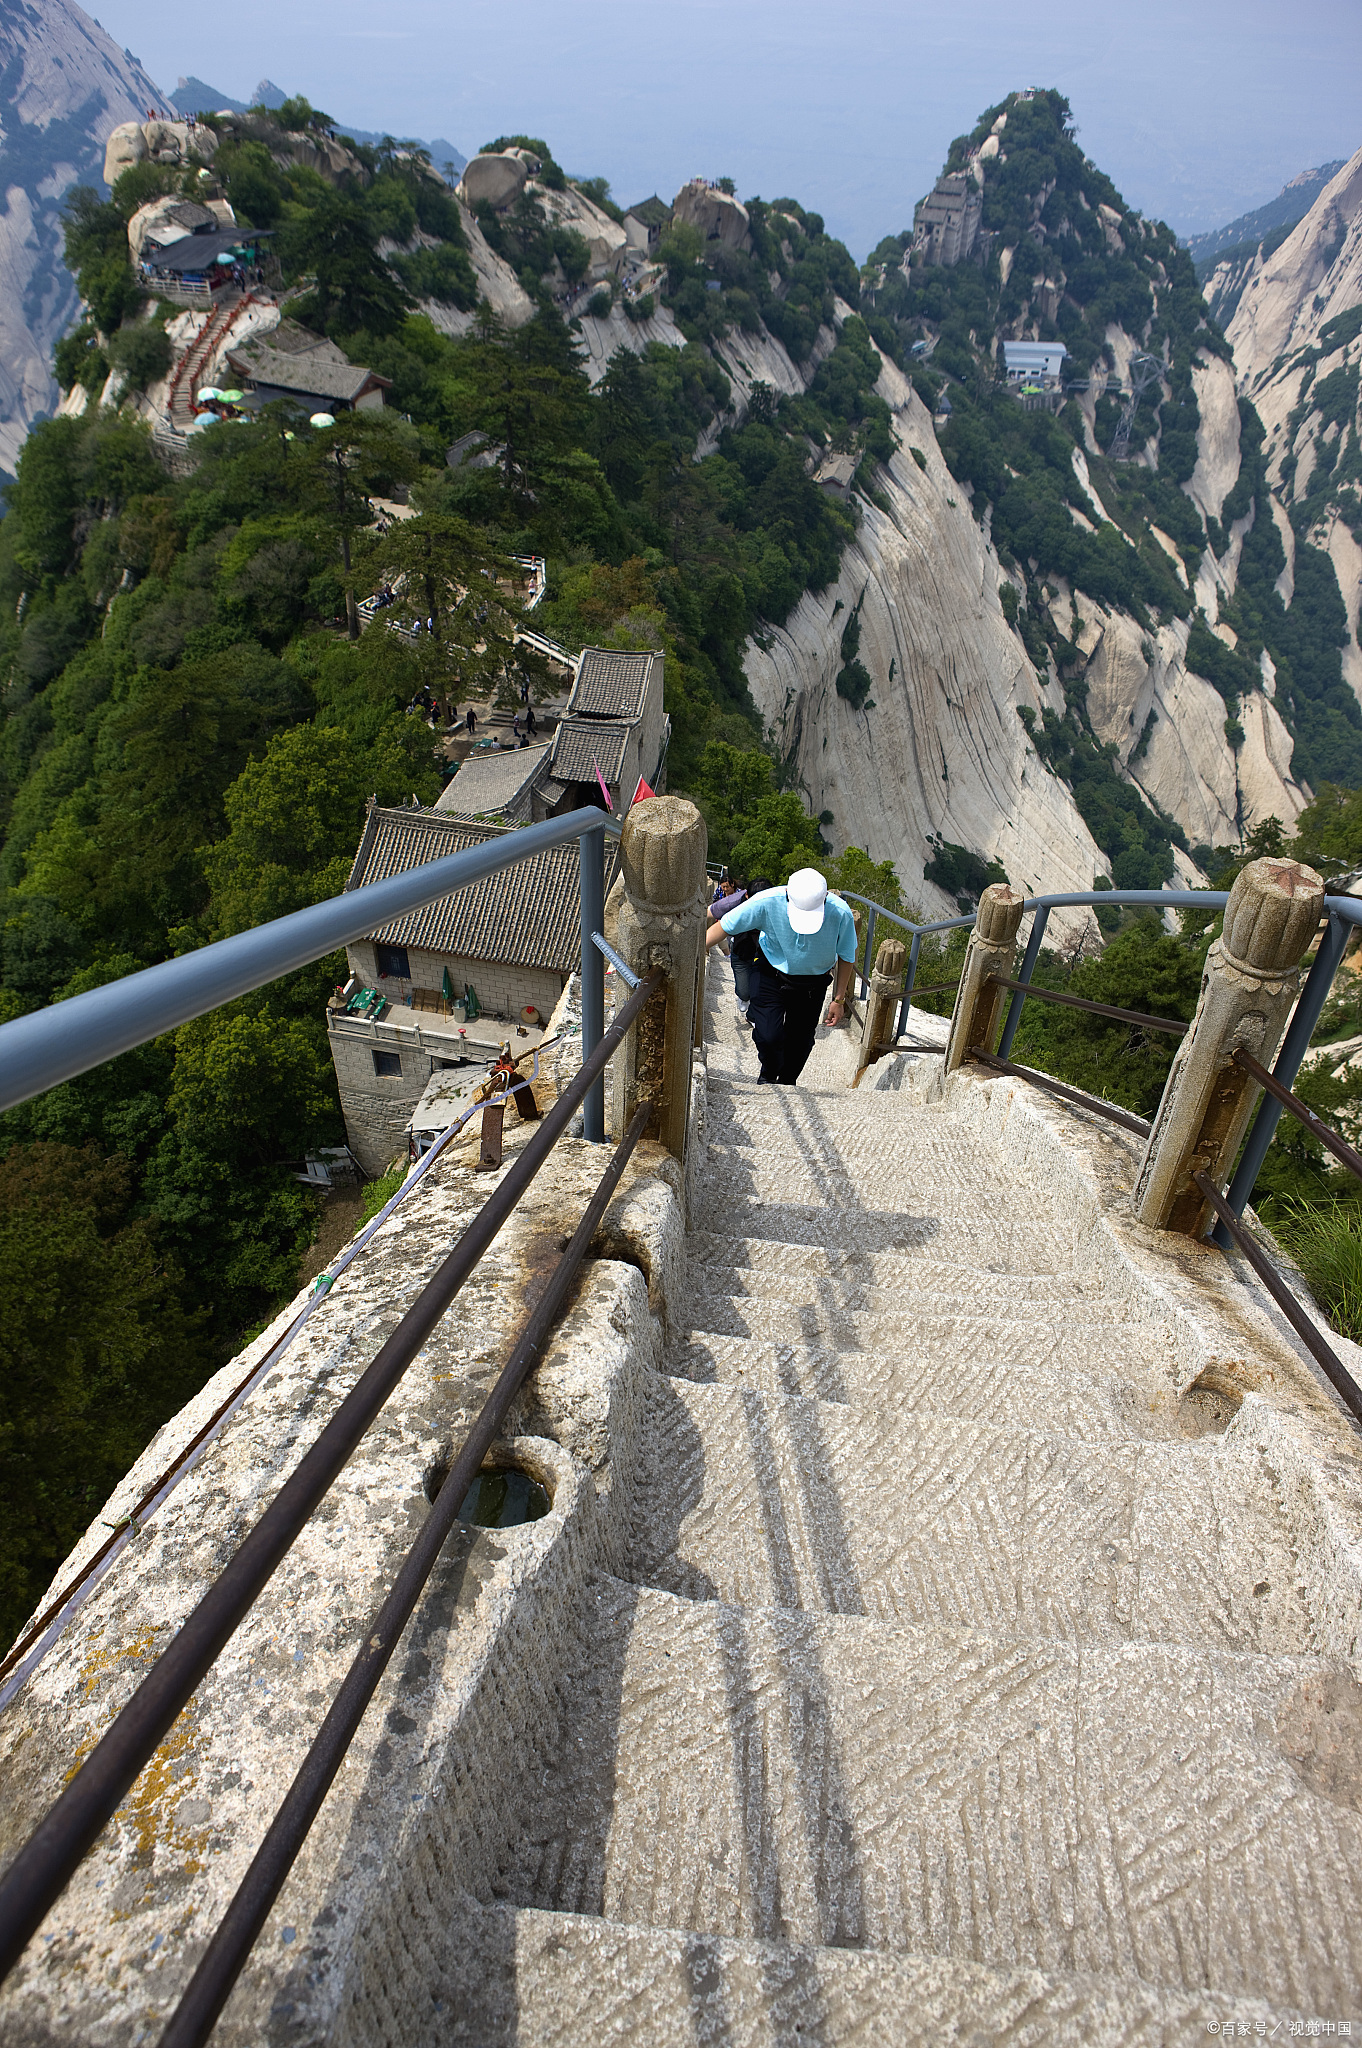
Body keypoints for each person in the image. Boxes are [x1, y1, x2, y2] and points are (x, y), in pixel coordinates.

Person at [706, 869, 856, 1085]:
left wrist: (839, 999)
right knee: (768, 1034)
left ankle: (787, 1081)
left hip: (813, 983)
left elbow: (847, 955)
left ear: (825, 900)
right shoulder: (768, 901)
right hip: (771, 974)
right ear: (787, 895)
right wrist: (690, 951)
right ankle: (768, 1072)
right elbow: (725, 926)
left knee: (801, 1041)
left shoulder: (840, 913)